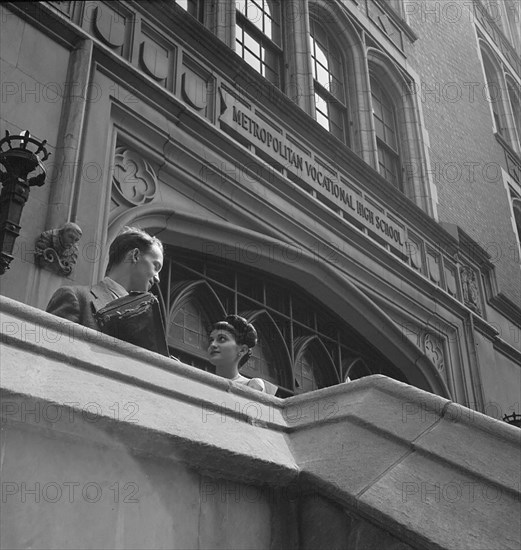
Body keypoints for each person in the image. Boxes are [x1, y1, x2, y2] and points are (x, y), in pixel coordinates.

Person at [46, 227, 163, 330]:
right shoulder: (74, 297)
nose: (157, 279)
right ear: (135, 255)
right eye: (156, 266)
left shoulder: (146, 323)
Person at [207, 315, 266, 392]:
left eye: (222, 339)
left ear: (242, 350)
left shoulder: (251, 385)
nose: (213, 345)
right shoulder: (201, 382)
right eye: (211, 340)